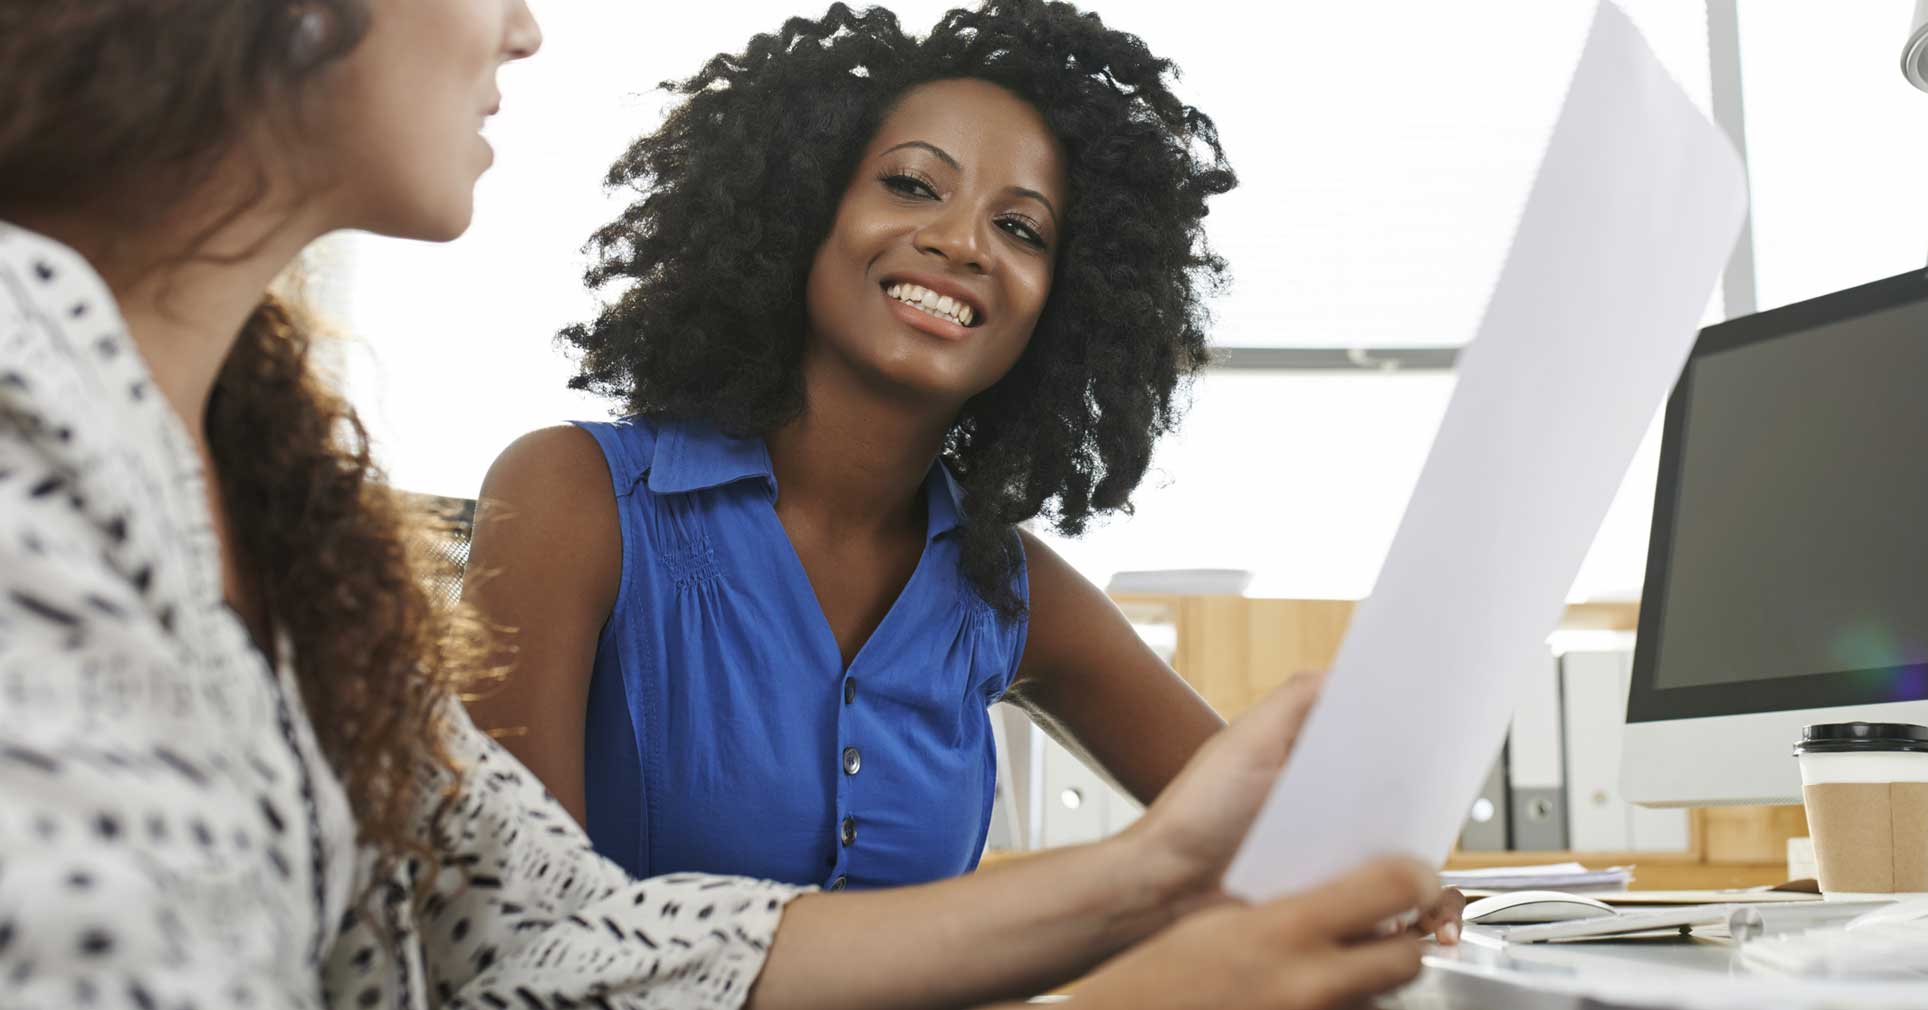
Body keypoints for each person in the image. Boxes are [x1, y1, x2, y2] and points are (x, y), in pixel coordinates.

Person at [0, 2, 1448, 1008]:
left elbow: (568, 940)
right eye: (914, 187)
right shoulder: (44, 421)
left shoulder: (278, 505)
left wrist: (1157, 872)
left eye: (1021, 229)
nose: (526, 26)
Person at [464, 1, 1232, 897]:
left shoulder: (1012, 591)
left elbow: (1295, 831)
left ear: (1062, 305)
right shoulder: (574, 498)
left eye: (1021, 229)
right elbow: (508, 930)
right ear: (802, 207)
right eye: (911, 184)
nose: (960, 241)